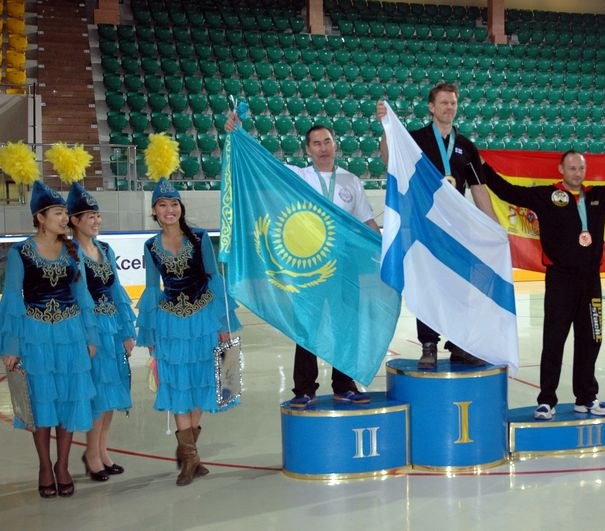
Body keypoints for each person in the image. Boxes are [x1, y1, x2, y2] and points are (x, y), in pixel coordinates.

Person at [482, 150, 605, 420]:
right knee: (554, 340)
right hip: (560, 281)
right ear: (561, 170)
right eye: (572, 168)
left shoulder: (598, 196)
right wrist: (481, 167)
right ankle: (547, 401)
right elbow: (508, 191)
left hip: (591, 282)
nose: (577, 173)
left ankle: (586, 398)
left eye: (580, 168)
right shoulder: (546, 196)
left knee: (591, 339)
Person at [225, 112, 375, 409]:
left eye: (327, 141)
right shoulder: (298, 177)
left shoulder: (351, 181)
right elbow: (262, 163)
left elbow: (367, 222)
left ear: (336, 145)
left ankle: (344, 385)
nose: (323, 147)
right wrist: (239, 134)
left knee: (345, 325)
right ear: (308, 150)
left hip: (345, 265)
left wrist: (384, 249)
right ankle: (304, 389)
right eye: (316, 143)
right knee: (308, 326)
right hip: (311, 267)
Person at [376, 83, 498, 369]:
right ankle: (428, 345)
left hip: (458, 229)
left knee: (460, 284)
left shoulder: (466, 146)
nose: (449, 108)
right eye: (444, 103)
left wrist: (493, 227)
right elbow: (389, 159)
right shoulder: (416, 139)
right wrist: (386, 128)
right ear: (431, 107)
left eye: (453, 103)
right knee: (428, 284)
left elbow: (479, 189)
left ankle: (460, 344)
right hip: (425, 226)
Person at [136, 178, 241, 485]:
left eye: (174, 204)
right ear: (154, 211)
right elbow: (151, 289)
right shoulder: (150, 246)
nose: (169, 210)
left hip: (203, 321)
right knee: (179, 387)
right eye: (162, 205)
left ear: (181, 207)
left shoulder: (199, 238)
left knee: (201, 384)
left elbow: (213, 278)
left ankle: (189, 452)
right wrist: (152, 335)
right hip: (170, 326)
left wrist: (223, 326)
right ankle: (191, 458)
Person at [0, 181, 98, 498]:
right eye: (58, 212)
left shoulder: (72, 252)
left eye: (65, 212)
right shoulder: (20, 253)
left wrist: (90, 335)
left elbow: (82, 295)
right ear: (40, 217)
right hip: (36, 336)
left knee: (68, 399)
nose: (64, 217)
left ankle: (63, 465)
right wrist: (11, 347)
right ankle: (45, 465)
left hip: (70, 335)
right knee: (42, 402)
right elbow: (12, 300)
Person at [67, 182, 136, 481]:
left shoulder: (105, 249)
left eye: (97, 215)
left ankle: (103, 450)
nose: (95, 221)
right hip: (89, 332)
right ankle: (91, 454)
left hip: (111, 329)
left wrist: (127, 330)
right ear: (74, 221)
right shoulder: (69, 253)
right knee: (97, 395)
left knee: (111, 392)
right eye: (89, 216)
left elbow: (117, 291)